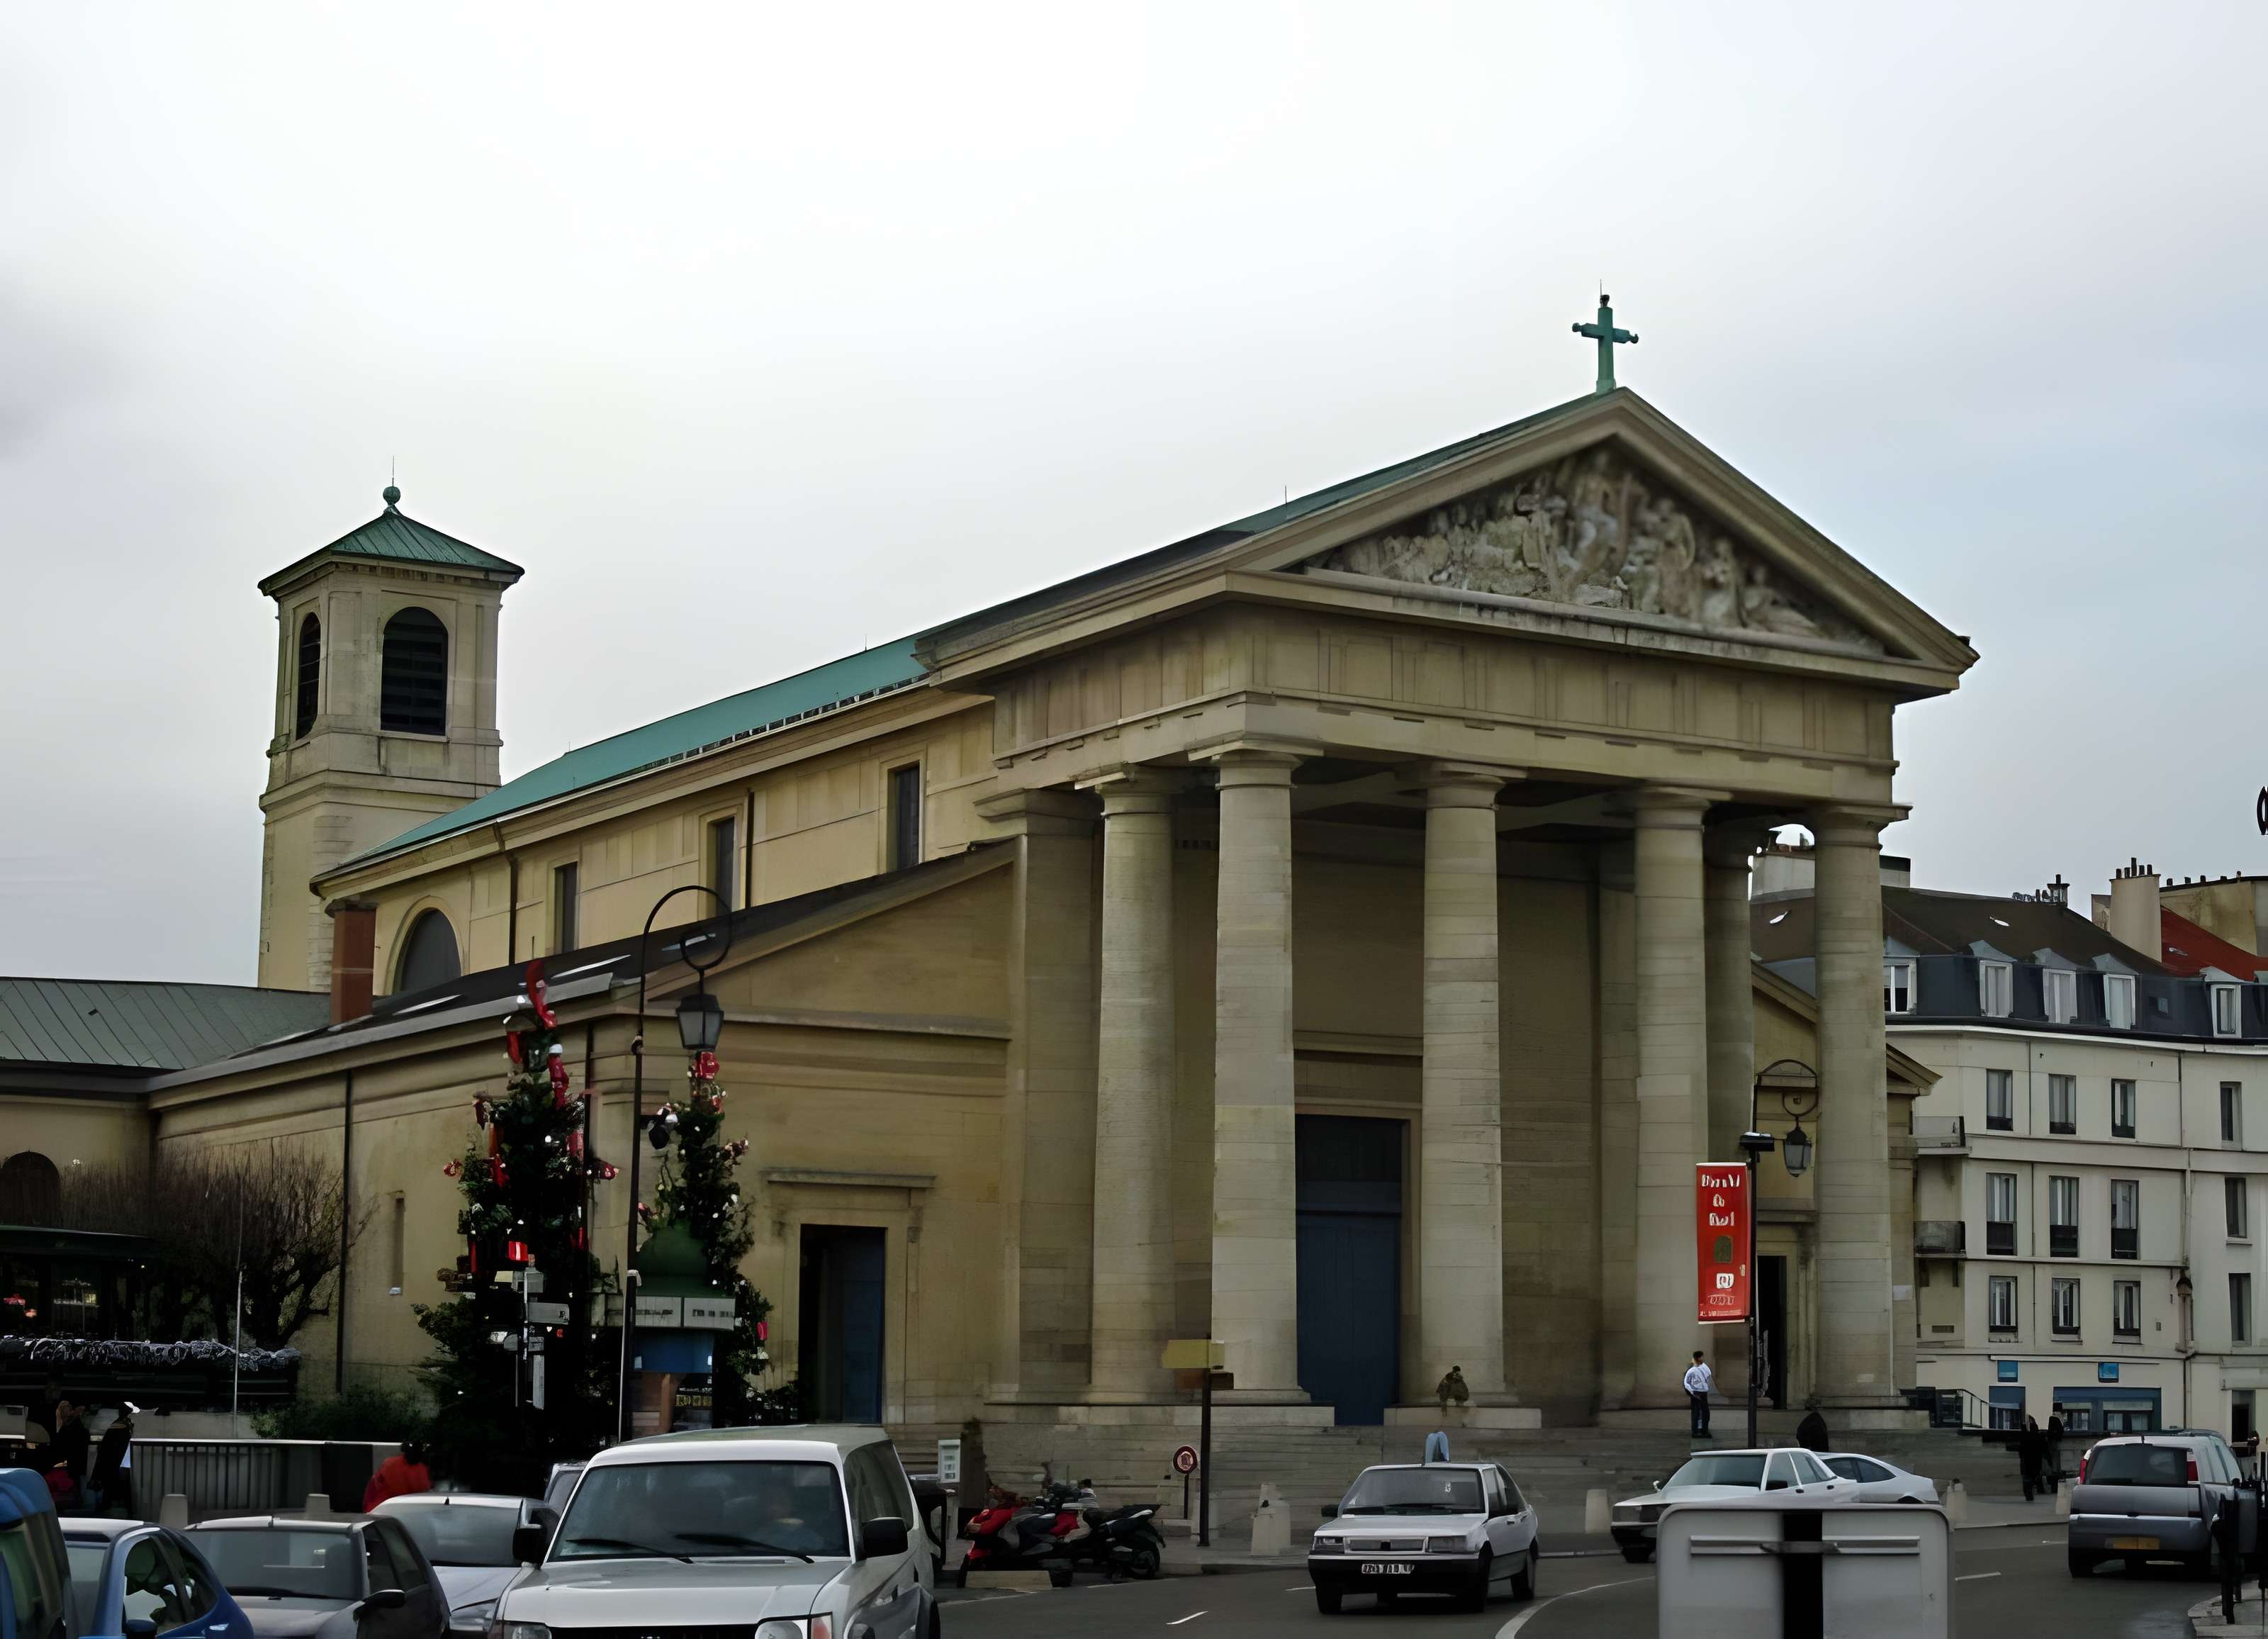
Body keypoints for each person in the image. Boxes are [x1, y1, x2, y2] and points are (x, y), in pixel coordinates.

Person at [90, 1405, 135, 1518]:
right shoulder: (128, 1426)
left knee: (109, 1488)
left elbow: (105, 1448)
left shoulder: (114, 1426)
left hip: (110, 1462)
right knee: (123, 1487)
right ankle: (128, 1509)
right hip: (123, 1462)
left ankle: (107, 1507)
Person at [362, 1440, 432, 1511]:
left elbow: (424, 1490)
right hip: (380, 1508)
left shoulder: (421, 1468)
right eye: (415, 1452)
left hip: (399, 1508)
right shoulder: (392, 1465)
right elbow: (402, 1494)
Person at [50, 1400, 90, 1489]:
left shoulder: (75, 1424)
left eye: (68, 1406)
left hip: (78, 1461)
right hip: (73, 1462)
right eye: (64, 1407)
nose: (68, 1407)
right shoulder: (64, 1428)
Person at [1683, 1351, 1714, 1438]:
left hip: (1702, 1392)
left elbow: (1708, 1378)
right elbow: (1686, 1383)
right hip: (1697, 1392)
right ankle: (1697, 1431)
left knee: (1704, 1412)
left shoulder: (1704, 1368)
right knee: (1697, 1412)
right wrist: (1692, 1392)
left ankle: (1703, 1430)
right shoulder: (1692, 1370)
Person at [2018, 1416, 2047, 1502]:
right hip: (2036, 1460)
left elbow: (2021, 1449)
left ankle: (2029, 1494)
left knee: (2026, 1477)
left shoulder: (2024, 1436)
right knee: (2034, 1475)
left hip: (2026, 1460)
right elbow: (2044, 1448)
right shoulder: (2039, 1436)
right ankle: (2034, 1490)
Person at [2045, 1413, 2065, 1486]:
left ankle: (2052, 1471)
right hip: (2055, 1440)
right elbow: (2061, 1430)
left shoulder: (2049, 1419)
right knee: (2055, 1458)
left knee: (2050, 1457)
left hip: (2051, 1440)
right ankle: (2055, 1471)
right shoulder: (2056, 1419)